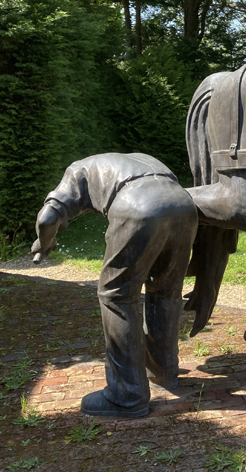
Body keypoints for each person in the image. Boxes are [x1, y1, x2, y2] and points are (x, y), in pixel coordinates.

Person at [31, 153, 198, 418]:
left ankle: (126, 395)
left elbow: (46, 219)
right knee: (165, 292)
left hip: (138, 205)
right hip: (184, 205)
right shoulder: (139, 160)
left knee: (116, 295)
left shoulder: (77, 169)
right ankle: (163, 371)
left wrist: (45, 241)